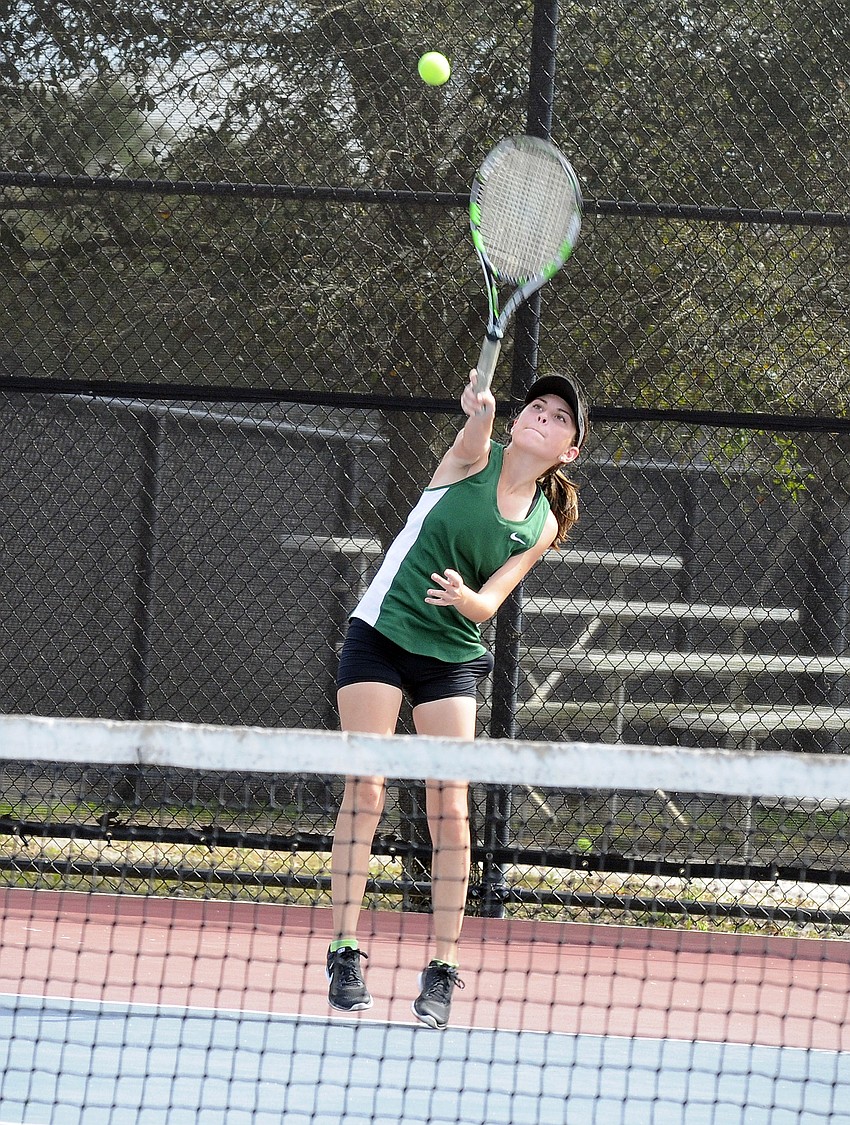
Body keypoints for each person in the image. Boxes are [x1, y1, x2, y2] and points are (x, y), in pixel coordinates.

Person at [326, 368, 589, 1029]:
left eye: (561, 418)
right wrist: (480, 410)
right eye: (537, 407)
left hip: (450, 653)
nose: (544, 417)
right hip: (380, 635)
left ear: (570, 449)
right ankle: (344, 949)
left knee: (449, 807)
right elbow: (475, 431)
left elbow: (495, 596)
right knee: (367, 788)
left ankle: (443, 965)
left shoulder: (542, 523)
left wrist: (469, 601)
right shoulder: (473, 453)